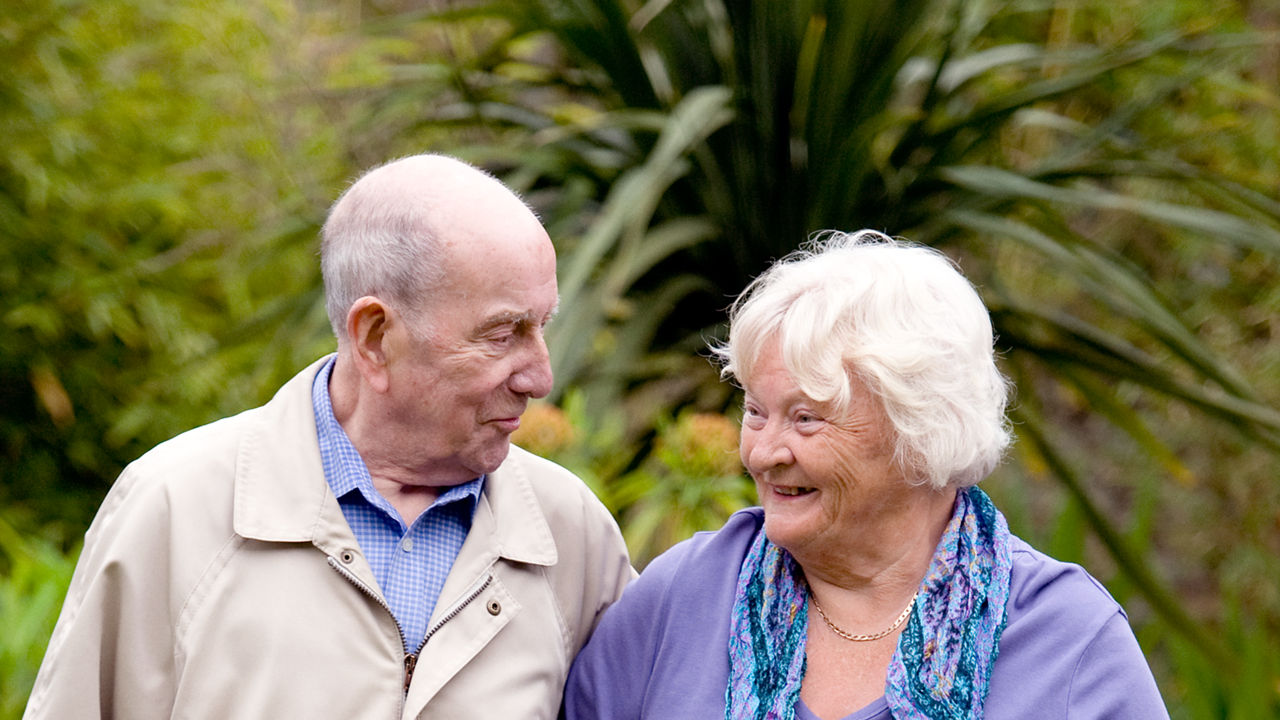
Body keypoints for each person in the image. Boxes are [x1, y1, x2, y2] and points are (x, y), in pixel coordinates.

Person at [25, 154, 634, 719]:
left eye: (542, 325)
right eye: (504, 333)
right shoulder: (174, 507)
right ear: (373, 337)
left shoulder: (572, 533)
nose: (542, 376)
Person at [563, 230, 1169, 719]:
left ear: (921, 429)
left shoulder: (1067, 640)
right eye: (755, 410)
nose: (764, 452)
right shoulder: (685, 596)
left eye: (806, 419)